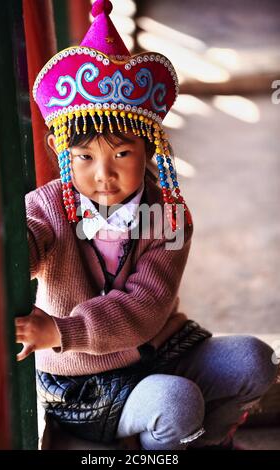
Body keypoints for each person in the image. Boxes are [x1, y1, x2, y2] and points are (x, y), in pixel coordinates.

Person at [15, 0, 278, 450]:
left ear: (149, 151)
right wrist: (18, 251)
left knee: (254, 359)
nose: (103, 174)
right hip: (85, 383)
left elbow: (145, 307)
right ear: (63, 156)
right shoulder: (48, 206)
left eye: (121, 154)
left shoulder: (169, 215)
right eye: (85, 157)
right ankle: (164, 443)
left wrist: (61, 330)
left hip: (158, 349)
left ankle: (206, 442)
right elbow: (25, 241)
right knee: (176, 403)